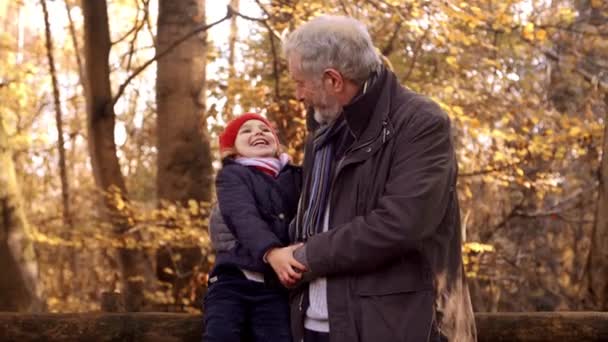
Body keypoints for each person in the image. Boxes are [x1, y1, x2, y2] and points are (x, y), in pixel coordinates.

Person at [210, 15, 477, 342]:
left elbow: (400, 224)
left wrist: (306, 256)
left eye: (300, 83)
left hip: (390, 326)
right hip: (311, 325)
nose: (297, 95)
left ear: (333, 80)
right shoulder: (322, 124)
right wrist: (238, 218)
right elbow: (311, 217)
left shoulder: (420, 123)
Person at [203, 113, 305, 342]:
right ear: (232, 149)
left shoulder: (294, 177)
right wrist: (272, 251)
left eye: (264, 129)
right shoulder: (232, 176)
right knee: (221, 334)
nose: (258, 132)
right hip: (232, 280)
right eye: (246, 130)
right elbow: (242, 216)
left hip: (273, 287)